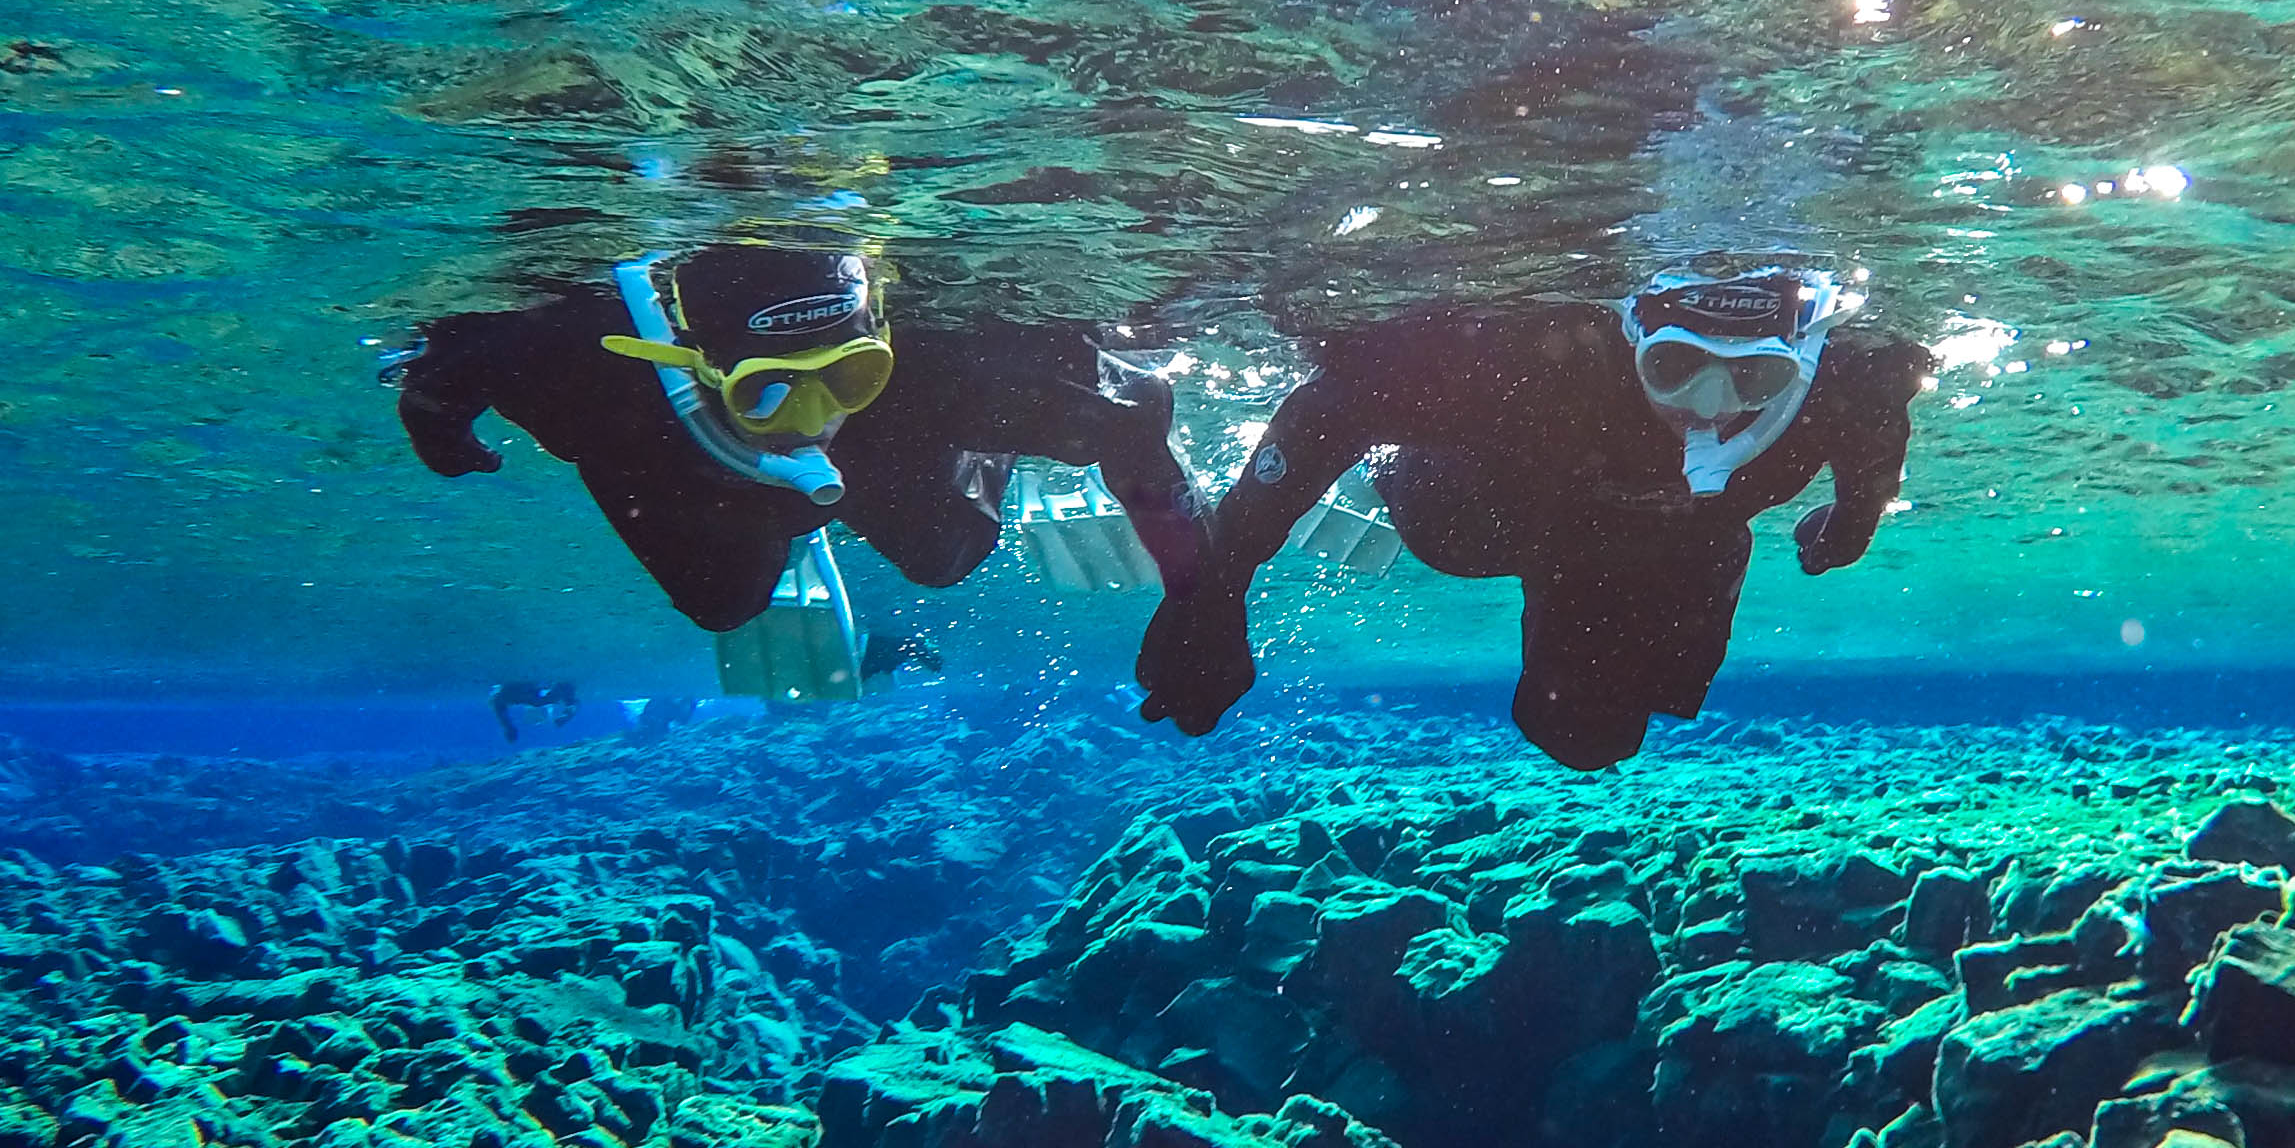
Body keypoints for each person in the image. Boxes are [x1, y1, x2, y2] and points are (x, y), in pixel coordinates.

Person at [1135, 265, 1929, 768]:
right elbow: (1333, 406)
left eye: (1754, 377)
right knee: (1476, 562)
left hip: (1656, 535)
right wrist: (1219, 579)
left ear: (1797, 363)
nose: (1708, 411)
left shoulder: (1843, 391)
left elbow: (1876, 441)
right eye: (1677, 365)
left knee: (1604, 718)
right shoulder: (1540, 370)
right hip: (1499, 502)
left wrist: (1853, 521)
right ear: (1633, 338)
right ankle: (1585, 658)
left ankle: (1607, 669)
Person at [390, 244, 1208, 656]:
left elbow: (1138, 415)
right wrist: (443, 437)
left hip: (897, 429)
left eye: (845, 374)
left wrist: (1200, 597)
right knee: (722, 606)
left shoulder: (958, 361)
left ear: (883, 337)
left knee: (947, 554)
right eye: (771, 389)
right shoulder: (585, 361)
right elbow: (444, 376)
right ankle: (768, 502)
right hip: (673, 453)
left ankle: (971, 456)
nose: (813, 422)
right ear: (690, 363)